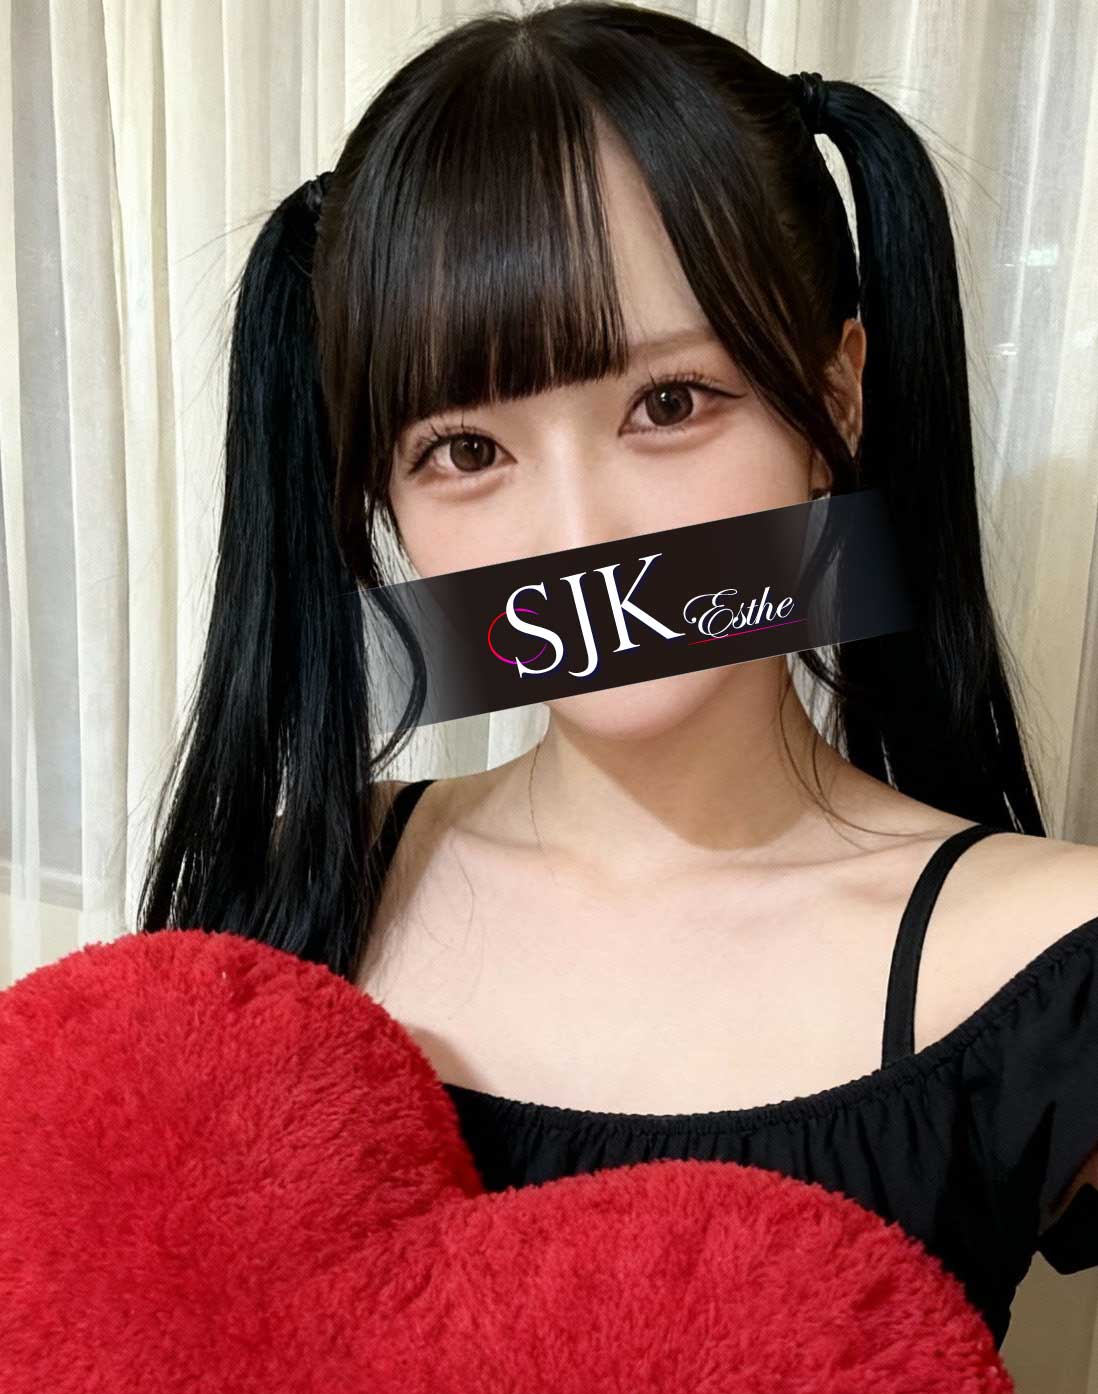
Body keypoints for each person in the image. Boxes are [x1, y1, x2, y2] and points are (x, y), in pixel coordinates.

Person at [137, 0, 1098, 1351]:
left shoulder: (1048, 952)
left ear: (835, 397)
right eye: (466, 450)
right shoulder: (300, 887)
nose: (578, 532)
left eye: (668, 404)